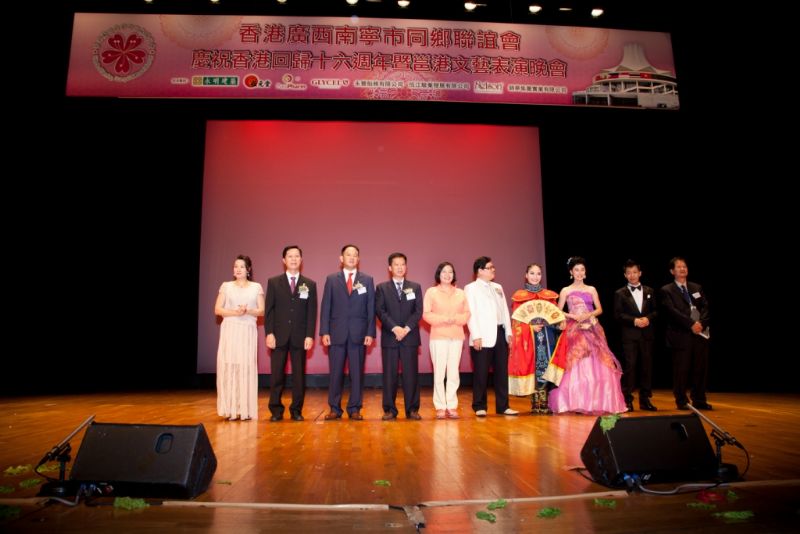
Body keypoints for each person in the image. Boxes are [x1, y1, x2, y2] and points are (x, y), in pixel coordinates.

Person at [545, 256, 627, 415]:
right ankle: (576, 401)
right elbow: (558, 311)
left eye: (582, 270)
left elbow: (599, 309)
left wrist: (588, 315)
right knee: (576, 362)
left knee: (598, 362)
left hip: (591, 326)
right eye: (576, 270)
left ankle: (597, 401)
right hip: (574, 328)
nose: (579, 273)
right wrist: (572, 316)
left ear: (585, 272)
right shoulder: (565, 290)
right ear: (571, 272)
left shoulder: (591, 289)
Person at [319, 244, 376, 420]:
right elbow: (326, 306)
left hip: (359, 334)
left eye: (355, 255)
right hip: (336, 333)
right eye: (348, 254)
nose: (351, 257)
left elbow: (371, 308)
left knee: (357, 374)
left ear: (358, 259)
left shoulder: (367, 280)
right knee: (335, 373)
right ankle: (334, 408)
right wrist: (324, 331)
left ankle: (355, 408)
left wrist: (370, 333)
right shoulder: (331, 279)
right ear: (341, 258)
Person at [265, 245, 317, 422]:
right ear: (284, 260)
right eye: (290, 256)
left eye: (296, 256)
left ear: (301, 260)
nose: (293, 259)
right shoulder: (273, 282)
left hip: (300, 337)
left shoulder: (309, 284)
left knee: (298, 376)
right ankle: (276, 410)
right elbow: (269, 310)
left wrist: (309, 335)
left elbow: (311, 312)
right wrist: (269, 333)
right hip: (278, 336)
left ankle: (296, 410)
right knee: (276, 375)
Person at [464, 256, 518, 417]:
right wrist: (476, 335)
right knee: (481, 373)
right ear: (479, 271)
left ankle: (503, 406)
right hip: (482, 335)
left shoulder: (498, 287)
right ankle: (479, 406)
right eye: (489, 268)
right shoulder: (470, 288)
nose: (493, 270)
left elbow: (504, 311)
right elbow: (470, 314)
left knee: (501, 372)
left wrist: (508, 332)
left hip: (500, 332)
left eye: (493, 267)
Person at [215, 254, 265, 421]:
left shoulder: (256, 287)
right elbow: (217, 309)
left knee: (245, 367)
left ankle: (244, 409)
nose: (238, 269)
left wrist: (247, 311)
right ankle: (229, 409)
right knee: (229, 366)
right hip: (230, 330)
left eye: (242, 266)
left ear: (248, 269)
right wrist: (234, 312)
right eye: (236, 266)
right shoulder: (226, 286)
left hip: (247, 331)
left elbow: (261, 311)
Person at [376, 253, 424, 420]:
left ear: (406, 267)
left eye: (402, 264)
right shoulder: (382, 288)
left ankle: (412, 409)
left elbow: (418, 311)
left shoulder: (415, 287)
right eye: (396, 264)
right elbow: (380, 311)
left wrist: (406, 328)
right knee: (389, 375)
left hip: (409, 337)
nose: (399, 267)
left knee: (411, 375)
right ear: (390, 268)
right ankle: (389, 409)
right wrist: (395, 328)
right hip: (390, 337)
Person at [660, 257, 712, 410]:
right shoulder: (666, 290)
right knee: (681, 370)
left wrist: (701, 324)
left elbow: (705, 307)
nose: (682, 269)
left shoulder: (696, 287)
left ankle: (699, 400)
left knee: (700, 368)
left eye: (684, 266)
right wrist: (691, 324)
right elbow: (672, 312)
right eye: (678, 267)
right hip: (681, 335)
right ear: (672, 271)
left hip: (700, 334)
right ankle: (682, 400)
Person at [509, 263, 560, 414]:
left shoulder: (549, 296)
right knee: (533, 365)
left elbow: (555, 316)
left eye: (538, 273)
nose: (535, 276)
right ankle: (534, 401)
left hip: (547, 336)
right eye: (532, 273)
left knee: (545, 365)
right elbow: (516, 321)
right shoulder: (519, 297)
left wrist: (559, 323)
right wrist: (530, 327)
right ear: (526, 275)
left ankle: (544, 401)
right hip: (529, 338)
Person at [423, 262, 470, 419]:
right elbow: (426, 314)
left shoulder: (461, 293)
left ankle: (451, 405)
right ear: (439, 274)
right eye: (444, 271)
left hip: (456, 337)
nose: (447, 275)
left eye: (450, 272)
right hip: (439, 337)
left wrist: (455, 319)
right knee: (439, 372)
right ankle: (440, 406)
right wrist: (444, 319)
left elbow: (467, 314)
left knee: (453, 372)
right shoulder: (431, 292)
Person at [613, 259, 658, 412]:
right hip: (629, 335)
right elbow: (618, 314)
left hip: (647, 334)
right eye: (629, 273)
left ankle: (645, 400)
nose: (632, 275)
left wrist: (648, 319)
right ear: (625, 275)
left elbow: (656, 311)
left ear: (640, 273)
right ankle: (627, 399)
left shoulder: (650, 291)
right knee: (630, 367)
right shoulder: (620, 293)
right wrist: (634, 321)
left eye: (635, 272)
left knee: (647, 367)